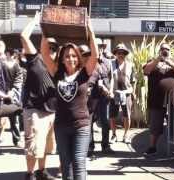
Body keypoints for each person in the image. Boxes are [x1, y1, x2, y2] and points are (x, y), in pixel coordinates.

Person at [42, 17, 98, 179]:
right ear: (62, 58)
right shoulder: (57, 73)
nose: (71, 59)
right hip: (61, 126)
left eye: (74, 56)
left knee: (79, 162)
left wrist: (91, 30)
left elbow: (95, 54)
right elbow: (44, 52)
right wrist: (47, 29)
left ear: (78, 57)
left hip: (81, 125)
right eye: (67, 56)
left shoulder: (84, 74)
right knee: (65, 164)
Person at [20, 12, 57, 180]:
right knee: (34, 144)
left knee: (46, 145)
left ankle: (41, 171)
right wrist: (34, 21)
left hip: (51, 111)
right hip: (34, 110)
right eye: (48, 47)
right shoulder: (35, 59)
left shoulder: (58, 67)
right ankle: (30, 174)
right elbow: (23, 36)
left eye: (54, 48)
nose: (51, 50)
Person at [142, 43, 174, 156]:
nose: (165, 51)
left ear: (170, 51)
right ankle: (152, 147)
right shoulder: (153, 61)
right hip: (156, 99)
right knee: (155, 124)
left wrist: (169, 62)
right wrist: (158, 59)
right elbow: (146, 71)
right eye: (162, 49)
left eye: (167, 49)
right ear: (159, 50)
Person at [86, 39, 115, 157]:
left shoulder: (108, 62)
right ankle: (89, 147)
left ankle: (105, 146)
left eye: (101, 47)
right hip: (91, 97)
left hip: (105, 96)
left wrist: (111, 90)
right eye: (97, 46)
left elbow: (111, 77)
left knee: (105, 121)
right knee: (89, 122)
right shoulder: (88, 61)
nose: (99, 49)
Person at [109, 43, 136, 144]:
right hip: (114, 93)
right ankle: (113, 135)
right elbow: (109, 78)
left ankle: (126, 135)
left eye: (123, 53)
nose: (121, 54)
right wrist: (110, 91)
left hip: (127, 93)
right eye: (119, 52)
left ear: (125, 54)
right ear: (115, 53)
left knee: (127, 115)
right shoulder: (111, 64)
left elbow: (133, 80)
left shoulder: (130, 65)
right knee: (112, 115)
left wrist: (133, 92)